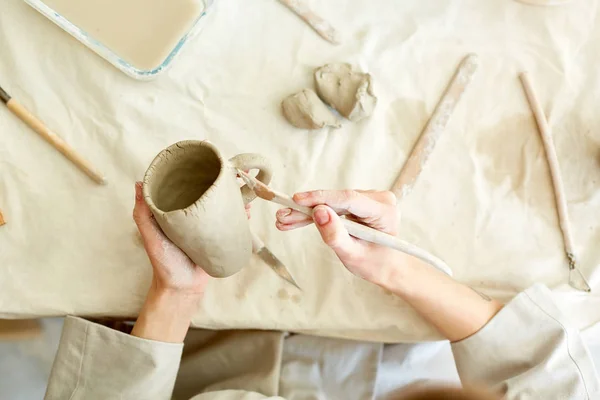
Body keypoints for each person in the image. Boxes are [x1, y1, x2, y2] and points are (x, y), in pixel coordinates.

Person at [44, 183, 600, 399]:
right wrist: (391, 268)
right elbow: (544, 362)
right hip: (362, 345)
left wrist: (172, 302)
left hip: (224, 367)